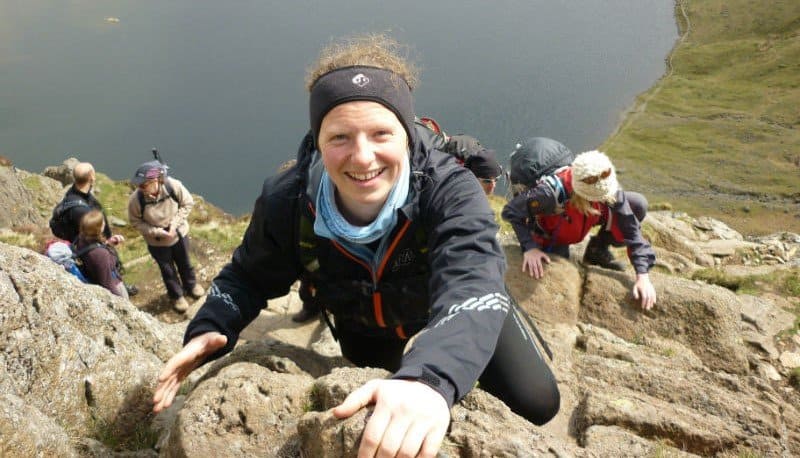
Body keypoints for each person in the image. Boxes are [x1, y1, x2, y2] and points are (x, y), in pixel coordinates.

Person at [152, 34, 560, 457]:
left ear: (406, 133)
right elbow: (249, 274)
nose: (363, 157)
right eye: (340, 137)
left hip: (451, 303)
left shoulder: (448, 189)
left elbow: (473, 279)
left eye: (381, 133)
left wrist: (430, 380)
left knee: (537, 401)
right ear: (317, 140)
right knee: (381, 417)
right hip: (363, 322)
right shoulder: (288, 200)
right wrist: (213, 326)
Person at [502, 148, 657, 309]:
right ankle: (546, 241)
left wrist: (642, 275)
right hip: (551, 227)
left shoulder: (606, 185)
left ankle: (597, 249)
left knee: (637, 204)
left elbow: (631, 229)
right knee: (558, 267)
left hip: (579, 214)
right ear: (585, 195)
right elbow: (511, 211)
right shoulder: (549, 194)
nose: (608, 198)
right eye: (600, 197)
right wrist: (530, 247)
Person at [127, 161, 204, 312]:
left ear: (155, 181)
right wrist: (157, 232)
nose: (140, 189)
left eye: (143, 185)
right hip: (157, 243)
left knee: (185, 262)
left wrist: (174, 225)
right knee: (167, 270)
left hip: (179, 234)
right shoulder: (136, 200)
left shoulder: (172, 186)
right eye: (139, 186)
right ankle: (177, 296)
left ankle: (191, 285)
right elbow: (135, 222)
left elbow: (187, 203)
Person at [51, 162, 137, 295]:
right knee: (104, 272)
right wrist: (105, 244)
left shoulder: (74, 194)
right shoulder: (81, 211)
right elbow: (91, 236)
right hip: (92, 248)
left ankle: (120, 284)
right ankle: (115, 290)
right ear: (92, 177)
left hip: (89, 245)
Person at [74, 209, 129, 298]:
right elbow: (107, 283)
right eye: (102, 222)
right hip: (115, 287)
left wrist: (108, 244)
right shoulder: (101, 254)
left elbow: (93, 247)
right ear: (98, 229)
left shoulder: (82, 239)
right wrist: (122, 303)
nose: (104, 223)